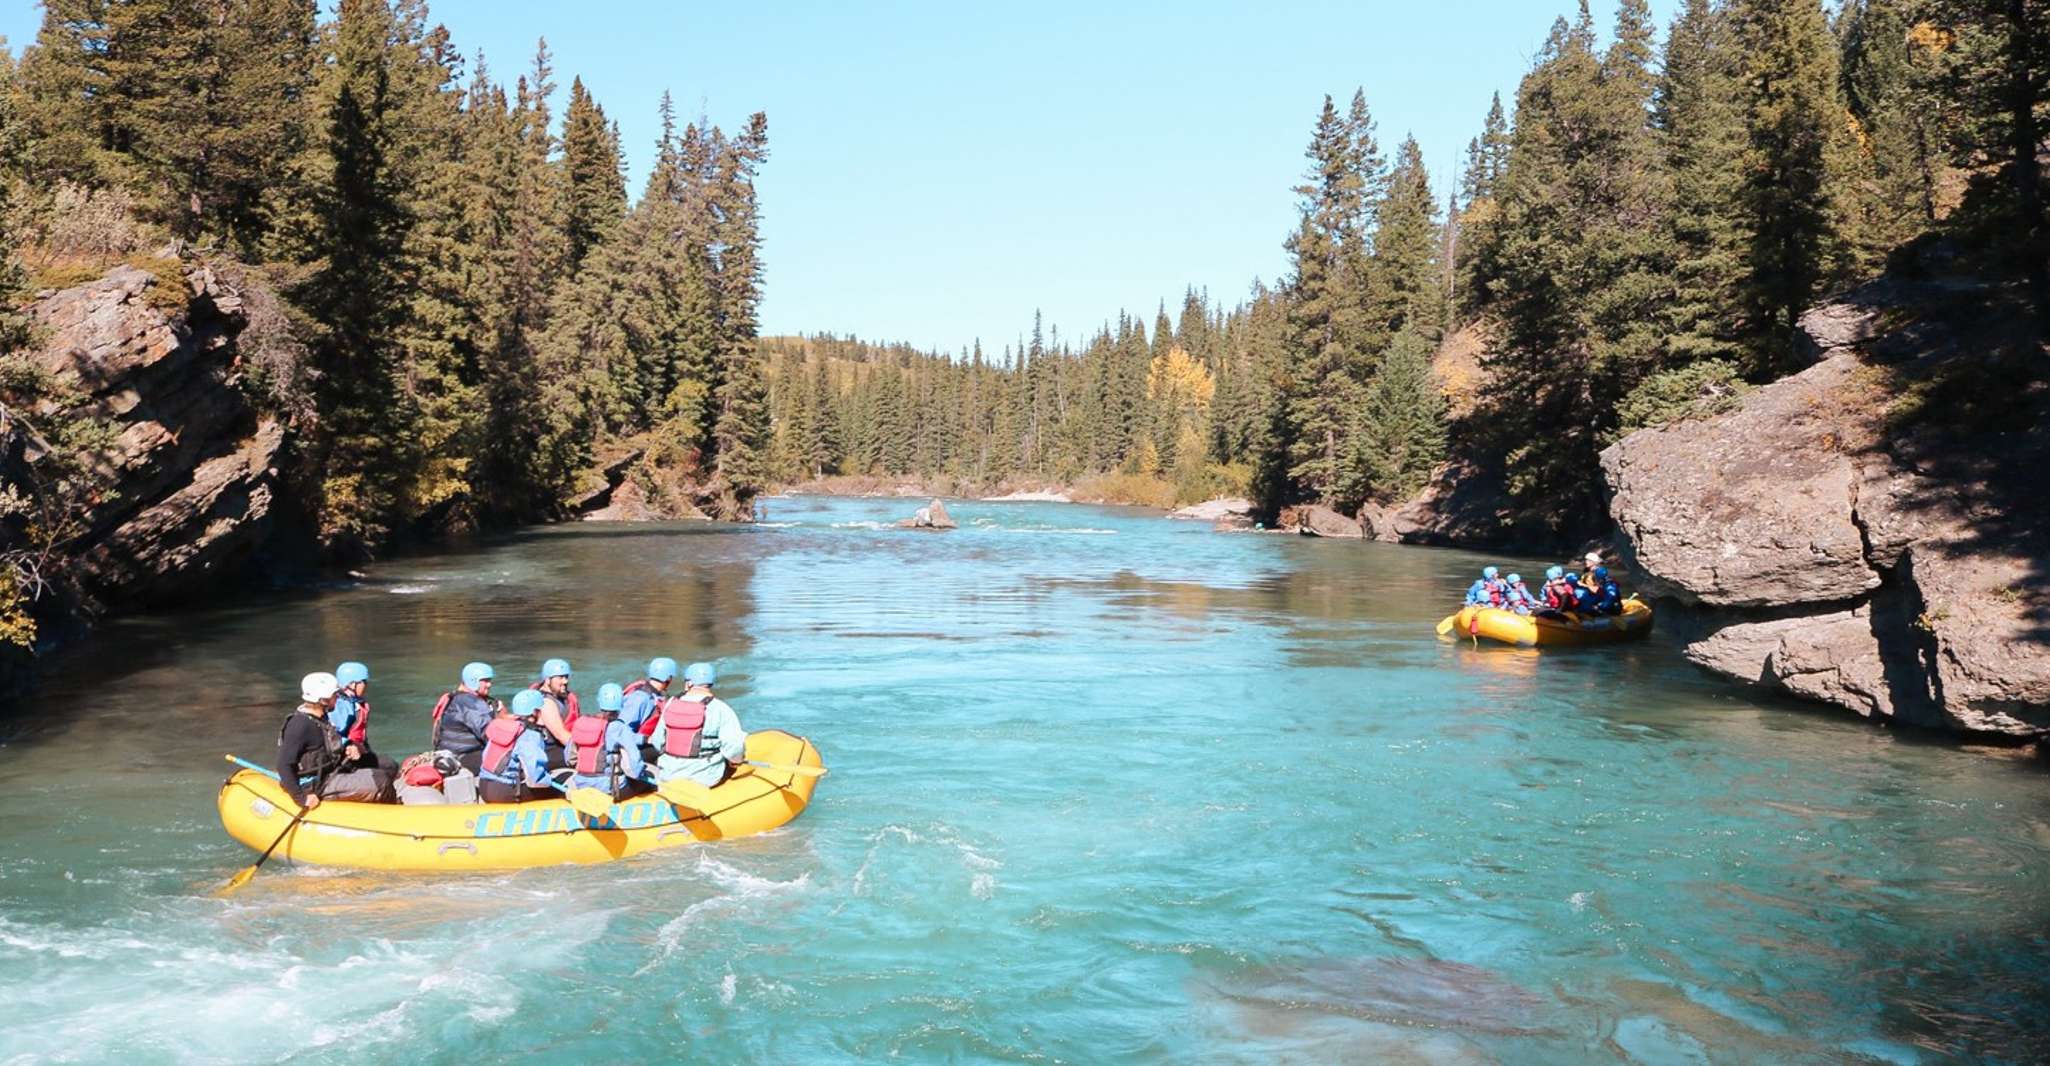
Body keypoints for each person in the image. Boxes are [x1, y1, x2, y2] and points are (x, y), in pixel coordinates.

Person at [277, 672, 394, 808]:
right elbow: (283, 765)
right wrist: (301, 798)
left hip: (331, 770)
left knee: (387, 765)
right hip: (316, 783)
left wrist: (349, 746)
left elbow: (327, 745)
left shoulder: (321, 717)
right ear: (323, 700)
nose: (337, 698)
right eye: (334, 695)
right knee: (381, 781)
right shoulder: (300, 725)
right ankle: (391, 813)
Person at [650, 662, 749, 788]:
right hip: (706, 778)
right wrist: (736, 762)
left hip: (669, 775)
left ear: (689, 683)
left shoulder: (670, 704)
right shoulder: (721, 709)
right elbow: (734, 749)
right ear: (711, 683)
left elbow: (657, 742)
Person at [567, 683, 649, 800]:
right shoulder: (619, 728)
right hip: (609, 789)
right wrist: (642, 774)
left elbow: (569, 758)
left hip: (581, 785)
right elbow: (634, 765)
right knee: (646, 782)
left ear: (599, 701)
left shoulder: (581, 723)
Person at [477, 690, 561, 804]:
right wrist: (551, 781)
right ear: (535, 712)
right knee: (556, 786)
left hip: (484, 786)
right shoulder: (529, 735)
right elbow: (535, 778)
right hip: (504, 792)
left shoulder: (502, 726)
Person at [329, 661, 395, 773]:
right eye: (364, 682)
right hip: (346, 757)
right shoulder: (339, 706)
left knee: (389, 764)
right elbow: (332, 736)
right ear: (352, 684)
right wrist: (350, 745)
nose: (366, 685)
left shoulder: (355, 702)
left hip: (360, 750)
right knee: (388, 766)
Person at [529, 658, 578, 766]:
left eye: (566, 677)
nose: (565, 681)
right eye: (560, 677)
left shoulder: (563, 697)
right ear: (547, 680)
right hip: (551, 755)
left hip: (563, 749)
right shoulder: (546, 703)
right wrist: (586, 753)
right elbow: (561, 735)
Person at [622, 656, 679, 737]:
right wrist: (645, 740)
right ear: (669, 678)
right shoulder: (640, 698)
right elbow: (622, 732)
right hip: (637, 745)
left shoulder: (657, 696)